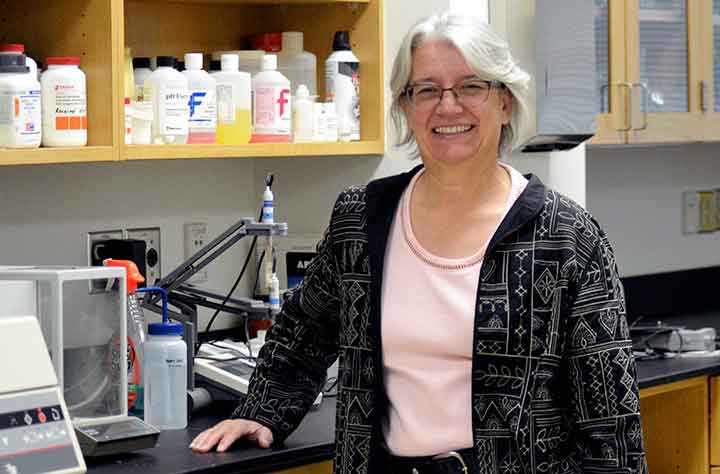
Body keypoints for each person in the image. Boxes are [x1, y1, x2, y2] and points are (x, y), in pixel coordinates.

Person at [191, 12, 648, 474]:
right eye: (426, 90)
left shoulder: (566, 237)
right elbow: (303, 332)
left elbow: (611, 425)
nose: (447, 107)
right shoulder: (363, 219)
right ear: (406, 107)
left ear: (505, 102)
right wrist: (261, 410)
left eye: (471, 87)